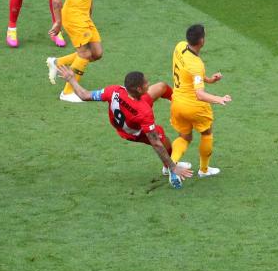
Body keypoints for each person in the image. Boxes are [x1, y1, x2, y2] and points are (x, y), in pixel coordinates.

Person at [56, 65, 194, 188]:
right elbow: (156, 143)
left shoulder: (114, 90)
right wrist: (173, 166)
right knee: (161, 136)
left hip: (129, 112)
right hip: (133, 132)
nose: (148, 83)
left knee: (161, 87)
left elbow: (84, 95)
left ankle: (180, 102)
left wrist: (71, 80)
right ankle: (169, 169)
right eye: (146, 83)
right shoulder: (145, 112)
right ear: (139, 88)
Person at [45, 0, 102, 103]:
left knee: (97, 53)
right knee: (84, 54)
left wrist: (90, 14)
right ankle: (68, 92)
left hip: (84, 16)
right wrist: (58, 22)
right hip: (73, 16)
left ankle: (57, 62)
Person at [169, 24, 231, 178]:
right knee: (207, 133)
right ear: (201, 41)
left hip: (177, 103)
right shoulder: (197, 64)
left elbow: (188, 73)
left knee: (184, 137)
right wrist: (219, 99)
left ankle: (170, 164)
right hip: (194, 106)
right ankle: (204, 170)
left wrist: (209, 80)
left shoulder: (180, 46)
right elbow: (200, 94)